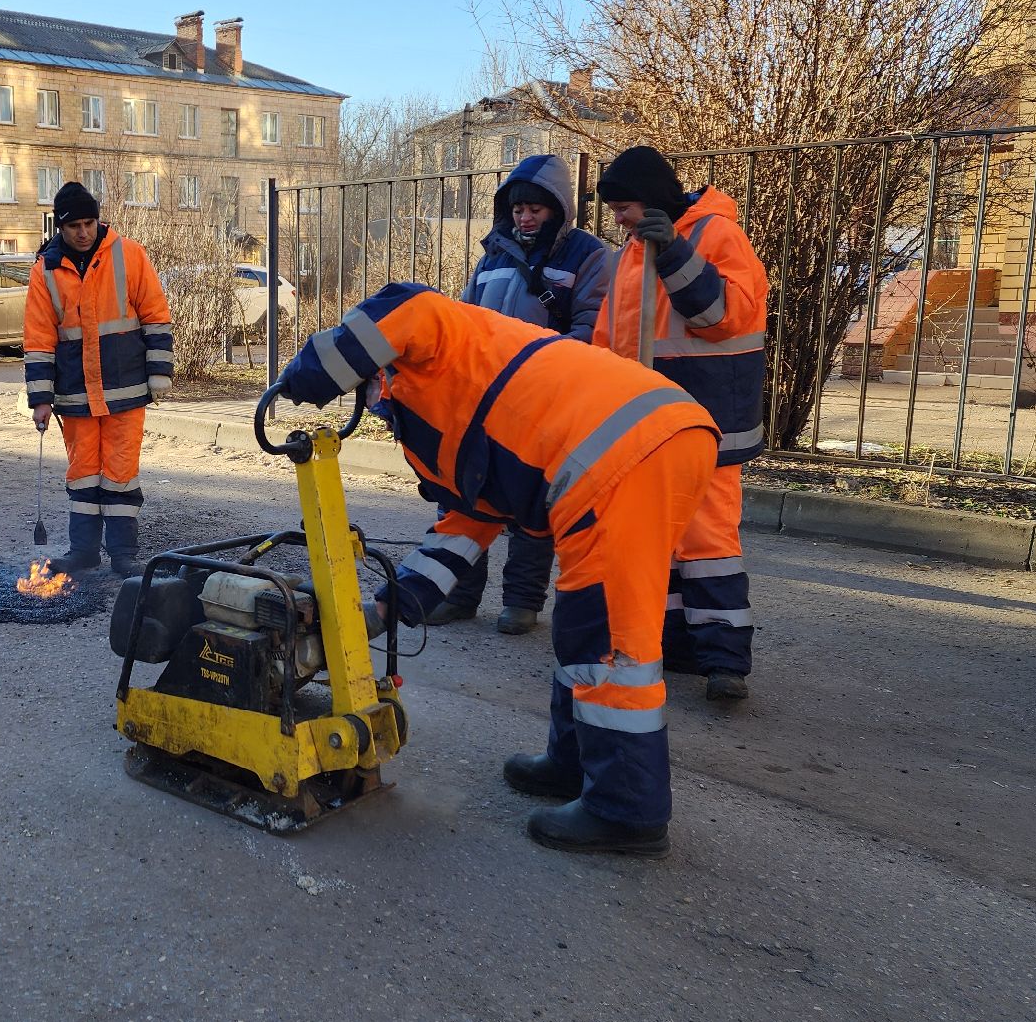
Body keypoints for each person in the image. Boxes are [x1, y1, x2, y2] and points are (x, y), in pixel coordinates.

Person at [278, 282, 719, 856]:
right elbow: (465, 526)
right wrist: (386, 609)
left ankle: (626, 808)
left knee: (605, 634)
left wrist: (312, 370)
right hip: (640, 442)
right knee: (584, 624)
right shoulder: (454, 422)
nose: (380, 408)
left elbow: (411, 307)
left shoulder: (443, 344)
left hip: (627, 451)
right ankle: (576, 764)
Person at [592, 146, 769, 702]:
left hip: (706, 422)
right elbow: (610, 342)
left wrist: (673, 251)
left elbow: (722, 317)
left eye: (623, 207)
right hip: (650, 424)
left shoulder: (717, 234)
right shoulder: (630, 252)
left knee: (707, 539)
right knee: (658, 537)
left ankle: (725, 661)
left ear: (650, 200)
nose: (617, 219)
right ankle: (681, 648)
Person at [424, 153, 614, 636]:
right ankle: (458, 594)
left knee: (530, 504)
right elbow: (466, 323)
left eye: (535, 208)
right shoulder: (493, 254)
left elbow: (592, 329)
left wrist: (539, 371)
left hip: (544, 397)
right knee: (465, 495)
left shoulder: (588, 255)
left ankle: (522, 602)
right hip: (483, 397)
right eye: (517, 209)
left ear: (558, 209)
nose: (525, 217)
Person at [23, 182, 174, 577]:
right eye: (75, 226)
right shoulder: (45, 271)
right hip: (76, 394)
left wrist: (160, 372)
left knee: (120, 475)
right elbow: (38, 339)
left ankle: (123, 555)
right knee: (84, 475)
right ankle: (84, 552)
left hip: (126, 389)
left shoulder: (129, 255)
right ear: (61, 227)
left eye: (89, 223)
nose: (84, 232)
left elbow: (156, 315)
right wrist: (40, 398)